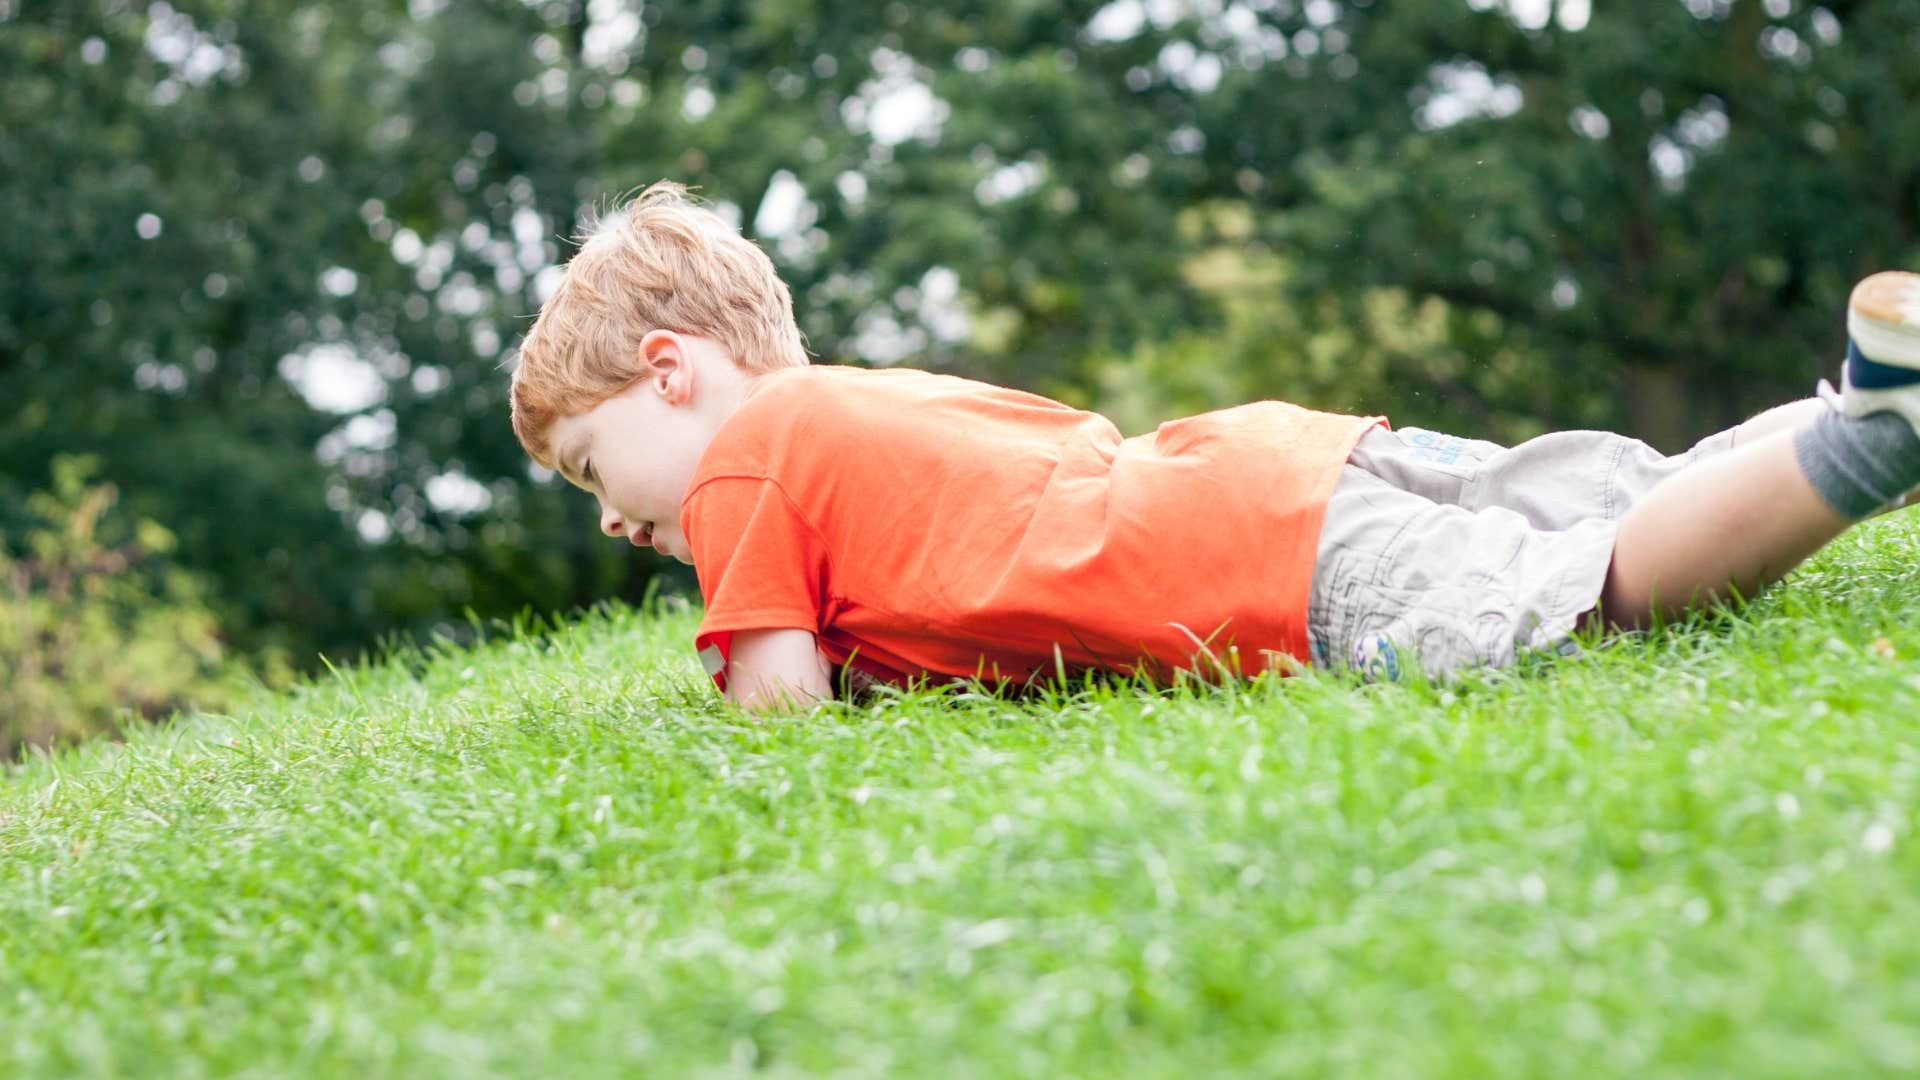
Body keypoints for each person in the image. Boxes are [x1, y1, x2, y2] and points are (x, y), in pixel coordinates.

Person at [508, 182, 1920, 709]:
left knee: (1606, 588)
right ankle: (1865, 386)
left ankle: (1871, 445)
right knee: (1637, 495)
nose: (613, 519)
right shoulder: (862, 409)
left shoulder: (747, 467)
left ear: (674, 373)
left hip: (1265, 565)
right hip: (1268, 468)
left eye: (592, 466)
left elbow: (776, 711)